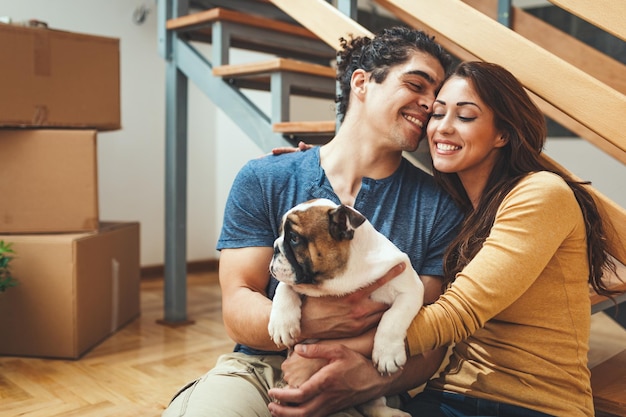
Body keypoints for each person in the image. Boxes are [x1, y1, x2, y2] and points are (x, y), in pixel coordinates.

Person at [270, 61, 622, 417]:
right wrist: (316, 164)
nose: (443, 128)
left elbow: (458, 313)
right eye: (437, 114)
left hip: (532, 402)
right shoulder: (462, 206)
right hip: (450, 390)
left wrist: (323, 353)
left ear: (502, 134)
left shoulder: (540, 194)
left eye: (465, 116)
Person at [161, 26, 464, 417]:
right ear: (362, 82)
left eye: (435, 99)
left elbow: (430, 341)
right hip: (260, 369)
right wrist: (309, 326)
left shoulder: (438, 207)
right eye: (416, 85)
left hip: (366, 381)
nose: (428, 105)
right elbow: (237, 307)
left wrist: (366, 382)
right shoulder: (266, 177)